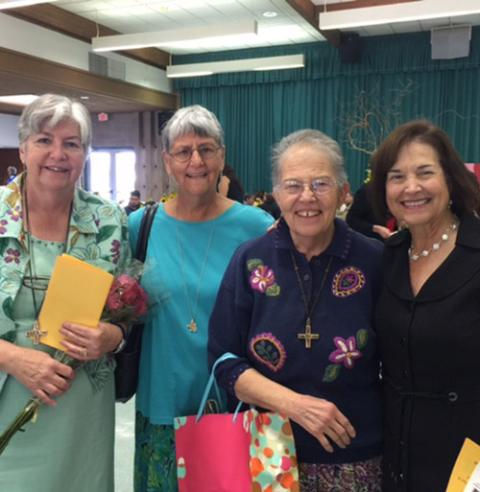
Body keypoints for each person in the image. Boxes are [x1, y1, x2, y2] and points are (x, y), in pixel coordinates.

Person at [209, 129, 383, 491]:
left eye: (321, 183)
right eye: (293, 185)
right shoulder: (250, 260)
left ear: (344, 192)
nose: (307, 197)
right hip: (267, 450)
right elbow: (222, 360)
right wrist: (295, 405)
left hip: (356, 455)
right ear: (276, 195)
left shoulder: (375, 261)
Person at [129, 104, 273, 491]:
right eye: (184, 151)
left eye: (207, 149)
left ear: (222, 157)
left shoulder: (255, 227)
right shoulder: (141, 225)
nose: (197, 160)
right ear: (166, 161)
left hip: (232, 403)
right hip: (161, 399)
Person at [0, 94, 130, 492]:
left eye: (71, 143)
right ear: (23, 149)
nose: (58, 153)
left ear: (85, 154)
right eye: (44, 140)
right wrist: (13, 357)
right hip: (7, 392)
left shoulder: (109, 220)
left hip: (80, 405)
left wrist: (112, 337)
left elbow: (126, 312)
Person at [369, 120, 480, 491]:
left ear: (450, 179)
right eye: (396, 176)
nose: (411, 187)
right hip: (396, 452)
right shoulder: (388, 257)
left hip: (468, 459)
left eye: (424, 173)